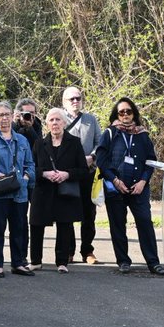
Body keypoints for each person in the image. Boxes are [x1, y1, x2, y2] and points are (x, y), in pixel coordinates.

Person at [95, 98, 164, 275]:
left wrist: (143, 181)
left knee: (145, 222)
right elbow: (101, 161)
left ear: (134, 113)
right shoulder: (110, 133)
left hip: (138, 188)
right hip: (116, 188)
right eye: (121, 112)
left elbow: (151, 161)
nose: (125, 115)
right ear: (116, 115)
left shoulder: (142, 135)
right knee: (118, 224)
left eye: (128, 111)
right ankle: (123, 261)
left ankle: (153, 262)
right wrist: (114, 180)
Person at [30, 108, 89, 273]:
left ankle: (62, 262)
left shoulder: (74, 142)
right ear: (47, 124)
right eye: (51, 120)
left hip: (65, 191)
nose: (55, 123)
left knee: (64, 226)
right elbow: (30, 168)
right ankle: (35, 260)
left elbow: (83, 170)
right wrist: (44, 173)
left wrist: (67, 174)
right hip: (43, 191)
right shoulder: (39, 143)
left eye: (58, 120)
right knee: (36, 225)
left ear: (64, 122)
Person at [0, 101, 35, 277]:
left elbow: (30, 163)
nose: (4, 118)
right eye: (1, 115)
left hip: (19, 192)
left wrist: (26, 178)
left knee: (19, 229)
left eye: (7, 114)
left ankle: (18, 263)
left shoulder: (22, 140)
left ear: (13, 116)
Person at [61, 87, 101, 264]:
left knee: (88, 214)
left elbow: (100, 143)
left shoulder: (90, 120)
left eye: (78, 98)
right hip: (68, 174)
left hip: (88, 173)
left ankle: (87, 251)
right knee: (67, 214)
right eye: (72, 99)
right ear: (64, 102)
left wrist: (92, 156)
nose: (75, 101)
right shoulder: (58, 118)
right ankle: (68, 251)